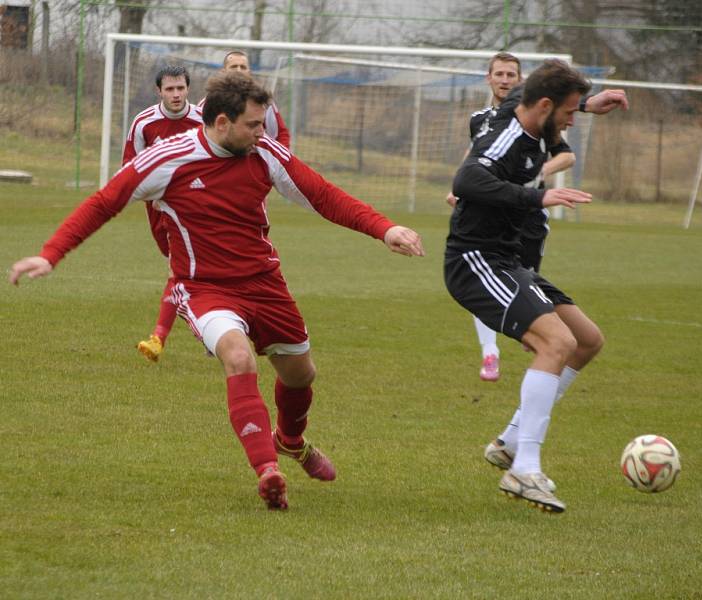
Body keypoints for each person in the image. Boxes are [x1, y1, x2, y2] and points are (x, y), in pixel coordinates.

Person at [10, 72, 425, 511]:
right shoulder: (167, 159)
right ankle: (268, 471)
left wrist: (384, 228)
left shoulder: (264, 153)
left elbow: (321, 194)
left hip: (265, 283)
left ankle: (290, 440)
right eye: (253, 124)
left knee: (301, 376)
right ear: (222, 123)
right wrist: (51, 254)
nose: (262, 132)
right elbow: (104, 202)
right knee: (238, 356)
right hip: (203, 288)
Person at [444, 59, 626, 513]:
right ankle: (524, 468)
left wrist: (587, 102)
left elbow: (531, 92)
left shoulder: (529, 114)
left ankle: (509, 442)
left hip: (510, 261)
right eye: (566, 112)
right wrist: (537, 195)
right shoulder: (506, 135)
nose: (570, 121)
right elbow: (466, 179)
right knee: (556, 341)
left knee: (586, 340)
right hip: (476, 260)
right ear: (544, 107)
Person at [137, 51, 292, 363]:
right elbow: (133, 169)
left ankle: (165, 336)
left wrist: (272, 171)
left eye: (243, 67)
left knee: (193, 268)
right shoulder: (186, 116)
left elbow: (281, 139)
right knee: (186, 269)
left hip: (236, 203)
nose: (239, 71)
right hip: (173, 205)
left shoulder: (263, 106)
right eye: (233, 66)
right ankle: (217, 326)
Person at [446, 52, 578, 383]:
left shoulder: (540, 123)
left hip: (529, 218)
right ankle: (490, 350)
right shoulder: (482, 119)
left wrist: (537, 176)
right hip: (495, 218)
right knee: (490, 282)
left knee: (525, 289)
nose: (505, 79)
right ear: (488, 78)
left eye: (511, 74)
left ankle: (531, 331)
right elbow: (475, 159)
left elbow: (566, 155)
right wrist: (463, 186)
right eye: (499, 74)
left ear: (522, 81)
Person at [124, 66, 205, 363]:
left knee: (179, 269)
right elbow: (130, 169)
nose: (176, 94)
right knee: (185, 271)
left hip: (196, 209)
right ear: (159, 91)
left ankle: (159, 338)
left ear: (188, 89)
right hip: (158, 208)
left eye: (181, 88)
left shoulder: (201, 120)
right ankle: (210, 327)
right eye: (170, 89)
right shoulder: (144, 123)